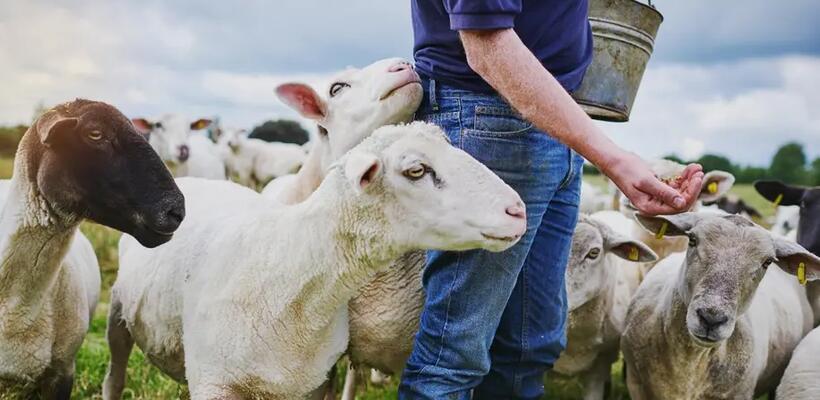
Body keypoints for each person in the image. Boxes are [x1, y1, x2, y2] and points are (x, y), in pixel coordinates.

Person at [399, 1, 704, 399]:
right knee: (453, 355)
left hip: (556, 118)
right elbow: (486, 41)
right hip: (487, 120)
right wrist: (613, 159)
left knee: (529, 347)